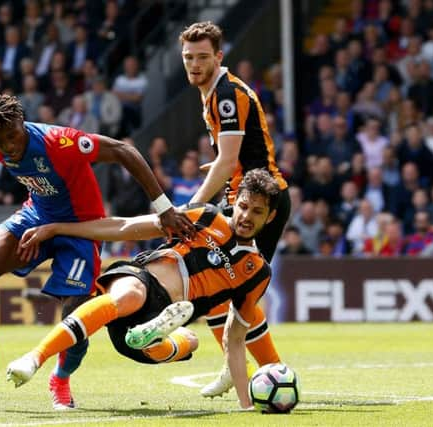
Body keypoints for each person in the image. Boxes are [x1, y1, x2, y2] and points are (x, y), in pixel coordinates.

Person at [0, 94, 195, 408]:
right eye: (0, 140)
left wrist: (163, 208)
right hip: (38, 216)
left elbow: (124, 150)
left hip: (82, 228)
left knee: (76, 312)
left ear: (22, 122)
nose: (8, 146)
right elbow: (40, 183)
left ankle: (60, 380)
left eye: (12, 136)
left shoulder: (60, 142)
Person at [6, 168, 280, 410]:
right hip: (140, 279)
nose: (246, 216)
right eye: (243, 206)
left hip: (146, 325)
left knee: (190, 341)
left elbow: (234, 339)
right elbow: (125, 226)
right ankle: (34, 359)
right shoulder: (204, 216)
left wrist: (246, 406)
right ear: (234, 202)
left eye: (257, 211)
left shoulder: (257, 273)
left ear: (270, 217)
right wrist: (56, 228)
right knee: (131, 295)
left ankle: (152, 336)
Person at [179, 21, 290, 396]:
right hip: (240, 196)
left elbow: (229, 162)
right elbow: (234, 156)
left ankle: (269, 369)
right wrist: (224, 167)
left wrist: (193, 206)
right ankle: (237, 364)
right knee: (216, 282)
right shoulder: (210, 91)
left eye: (202, 57)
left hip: (261, 203)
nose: (194, 64)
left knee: (236, 287)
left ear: (219, 57)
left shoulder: (226, 94)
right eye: (188, 57)